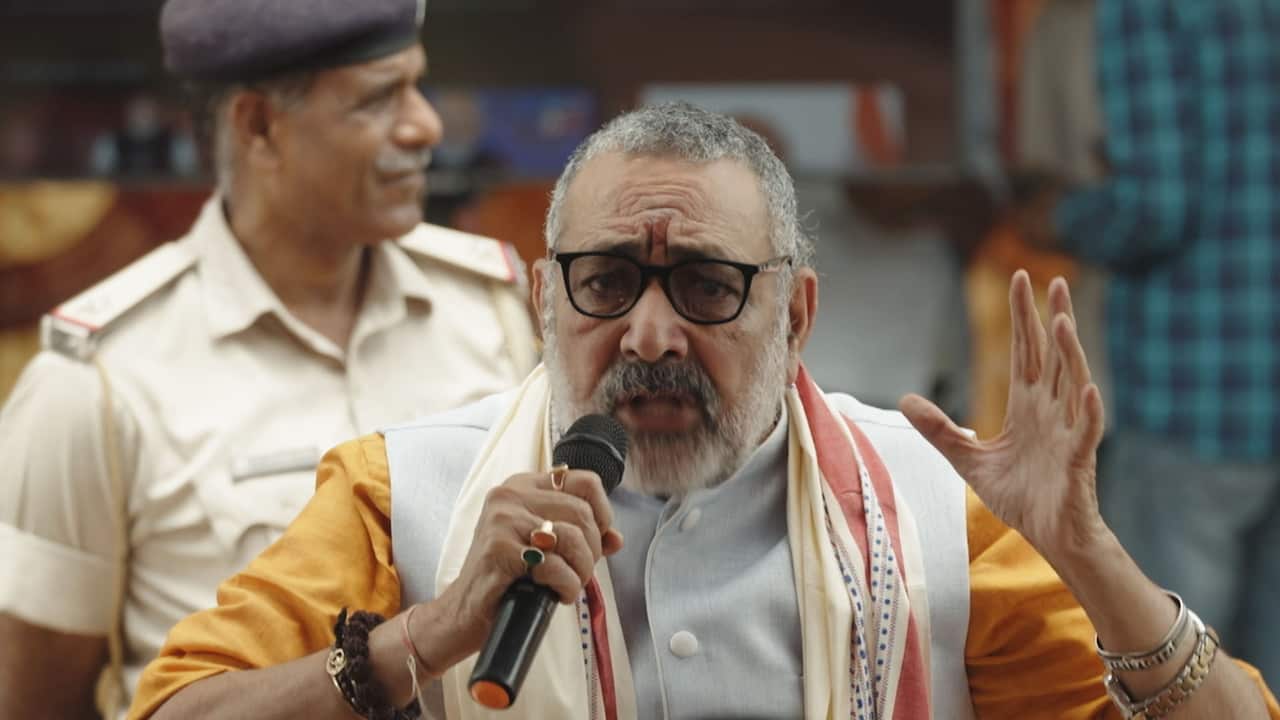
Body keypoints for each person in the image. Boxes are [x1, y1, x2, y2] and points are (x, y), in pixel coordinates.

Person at [130, 105, 1278, 719]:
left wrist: (1087, 553)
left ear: (797, 313)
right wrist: (419, 641)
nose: (647, 335)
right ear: (542, 297)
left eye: (706, 285)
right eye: (604, 280)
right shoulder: (406, 496)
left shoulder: (933, 514)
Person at [0, 0, 539, 717]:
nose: (425, 126)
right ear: (257, 126)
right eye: (378, 98)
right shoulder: (98, 377)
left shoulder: (490, 310)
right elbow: (39, 698)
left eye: (418, 86)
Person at [1015, 0, 1280, 685]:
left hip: (1195, 386)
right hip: (1250, 373)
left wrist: (1060, 214)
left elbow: (1156, 207)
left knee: (1167, 671)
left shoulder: (1151, 11)